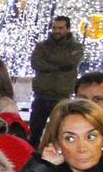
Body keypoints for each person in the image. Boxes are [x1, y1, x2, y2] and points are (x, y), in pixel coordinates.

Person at [27, 16, 85, 144]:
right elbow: (36, 63)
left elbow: (70, 62)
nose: (57, 31)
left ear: (68, 29)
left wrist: (49, 62)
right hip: (41, 95)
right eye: (54, 28)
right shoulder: (42, 46)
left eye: (60, 28)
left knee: (61, 131)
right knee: (34, 132)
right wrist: (60, 66)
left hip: (62, 96)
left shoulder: (76, 47)